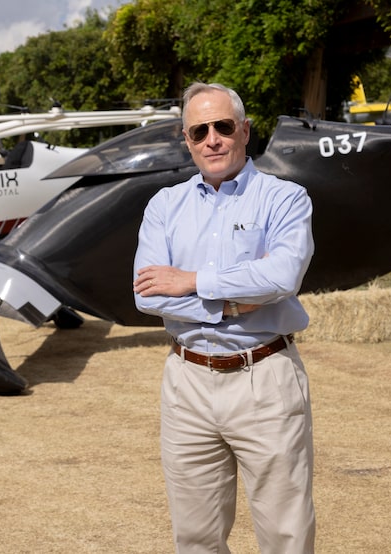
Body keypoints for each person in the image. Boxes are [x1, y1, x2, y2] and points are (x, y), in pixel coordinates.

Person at [133, 82, 316, 553]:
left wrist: (190, 280)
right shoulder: (164, 206)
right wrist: (235, 300)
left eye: (223, 126)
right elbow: (149, 295)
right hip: (187, 382)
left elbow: (280, 277)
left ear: (245, 131)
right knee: (195, 536)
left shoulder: (286, 199)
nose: (212, 139)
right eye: (199, 130)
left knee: (285, 533)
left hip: (265, 378)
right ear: (187, 139)